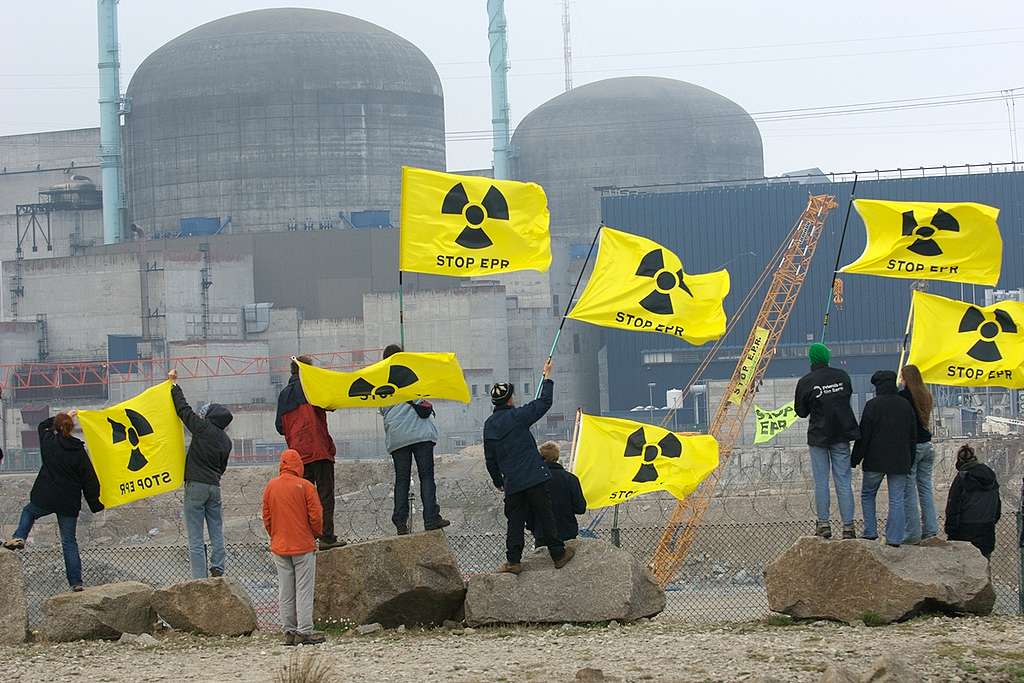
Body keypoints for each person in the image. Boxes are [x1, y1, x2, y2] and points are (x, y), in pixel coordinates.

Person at [484, 358, 575, 574]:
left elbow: (490, 459)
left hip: (513, 482)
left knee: (514, 521)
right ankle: (558, 554)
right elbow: (544, 403)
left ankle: (513, 561)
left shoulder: (489, 426)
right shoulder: (517, 416)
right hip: (534, 477)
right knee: (545, 514)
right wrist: (547, 377)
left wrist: (498, 482)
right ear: (509, 400)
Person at [3, 412, 103, 591]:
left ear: (56, 427)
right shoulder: (79, 450)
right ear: (72, 428)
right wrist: (95, 503)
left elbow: (42, 425)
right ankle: (76, 583)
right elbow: (89, 478)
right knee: (69, 541)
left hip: (46, 496)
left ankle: (19, 537)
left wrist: (60, 416)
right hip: (69, 502)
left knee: (29, 512)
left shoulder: (49, 442)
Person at [379, 344, 450, 535]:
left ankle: (400, 522)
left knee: (401, 479)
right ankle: (430, 518)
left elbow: (381, 409)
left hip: (397, 437)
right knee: (426, 476)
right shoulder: (412, 374)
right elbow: (424, 400)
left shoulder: (379, 380)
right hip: (421, 434)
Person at [169, 370, 233, 579]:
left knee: (196, 537)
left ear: (210, 417)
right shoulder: (226, 441)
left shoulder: (203, 428)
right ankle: (218, 568)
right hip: (214, 487)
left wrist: (174, 386)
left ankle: (199, 578)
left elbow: (183, 411)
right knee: (216, 530)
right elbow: (222, 467)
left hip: (196, 485)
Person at [794, 343, 861, 539]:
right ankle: (848, 526)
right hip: (841, 435)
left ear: (811, 360)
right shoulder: (842, 376)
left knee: (821, 482)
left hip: (818, 437)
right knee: (843, 481)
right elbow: (847, 395)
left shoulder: (806, 381)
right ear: (827, 357)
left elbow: (801, 411)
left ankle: (823, 524)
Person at [276, 355, 343, 549]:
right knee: (324, 495)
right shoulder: (313, 387)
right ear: (308, 370)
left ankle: (305, 538)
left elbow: (280, 426)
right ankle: (326, 537)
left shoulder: (283, 395)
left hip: (298, 456)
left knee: (302, 499)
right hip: (319, 450)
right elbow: (332, 404)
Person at [262, 448, 325, 646]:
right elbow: (316, 516)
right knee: (304, 589)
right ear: (299, 465)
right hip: (303, 545)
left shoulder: (271, 486)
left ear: (282, 465)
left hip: (280, 546)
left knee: (285, 590)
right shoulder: (305, 486)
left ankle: (288, 631)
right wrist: (314, 534)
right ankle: (304, 631)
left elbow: (267, 517)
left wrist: (275, 535)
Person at [852, 370, 916, 547]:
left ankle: (870, 532)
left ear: (877, 386)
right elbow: (912, 436)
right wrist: (910, 460)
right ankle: (894, 538)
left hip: (875, 460)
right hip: (900, 460)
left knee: (868, 494)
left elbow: (864, 436)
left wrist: (855, 458)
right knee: (896, 499)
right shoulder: (905, 405)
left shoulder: (872, 405)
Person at [899, 364, 938, 545]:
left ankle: (912, 532)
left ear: (906, 378)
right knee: (925, 488)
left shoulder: (904, 397)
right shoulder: (926, 395)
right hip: (928, 446)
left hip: (913, 447)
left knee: (909, 490)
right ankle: (931, 530)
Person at [945, 444, 1001, 558]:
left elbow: (953, 507)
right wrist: (991, 522)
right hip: (987, 530)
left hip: (965, 533)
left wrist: (951, 532)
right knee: (985, 568)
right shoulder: (990, 476)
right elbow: (997, 505)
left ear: (959, 460)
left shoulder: (961, 479)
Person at [526, 441, 586, 545]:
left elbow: (528, 510)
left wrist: (534, 527)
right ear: (557, 457)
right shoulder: (571, 479)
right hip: (567, 533)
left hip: (542, 534)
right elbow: (580, 508)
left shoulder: (534, 480)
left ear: (541, 457)